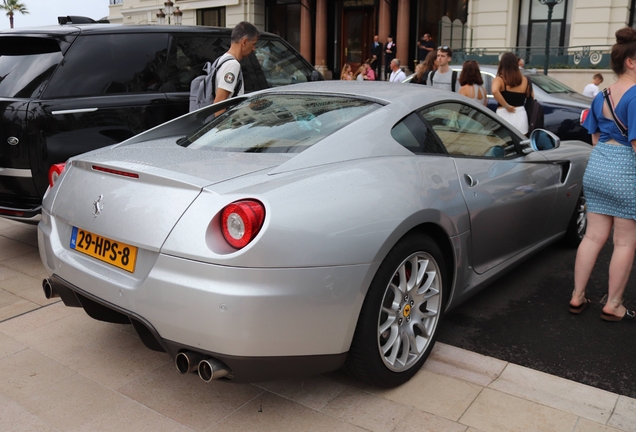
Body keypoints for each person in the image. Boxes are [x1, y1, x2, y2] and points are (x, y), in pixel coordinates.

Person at [570, 28, 636, 322]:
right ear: (631, 62)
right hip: (625, 172)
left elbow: (595, 139)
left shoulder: (601, 96)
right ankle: (613, 303)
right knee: (624, 242)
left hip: (597, 167)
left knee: (593, 236)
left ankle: (577, 295)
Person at [213, 21, 259, 105]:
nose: (254, 49)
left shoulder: (222, 59)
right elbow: (219, 103)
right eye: (253, 44)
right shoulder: (233, 65)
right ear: (244, 42)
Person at [492, 52, 533, 134]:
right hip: (521, 114)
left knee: (504, 141)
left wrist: (506, 106)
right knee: (521, 141)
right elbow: (530, 95)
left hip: (503, 114)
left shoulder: (500, 79)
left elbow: (494, 91)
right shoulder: (525, 80)